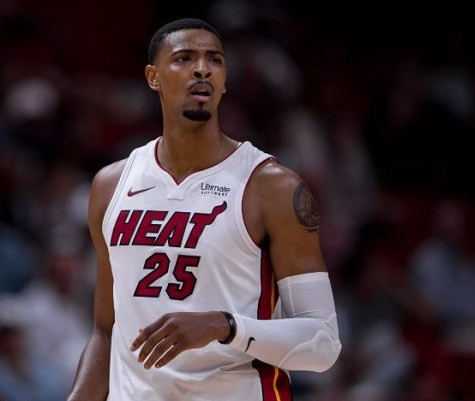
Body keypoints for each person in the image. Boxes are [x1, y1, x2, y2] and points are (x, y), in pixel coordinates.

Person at [67, 18, 341, 401]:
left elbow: (322, 343)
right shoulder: (110, 185)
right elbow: (106, 331)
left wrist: (225, 325)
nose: (202, 69)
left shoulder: (271, 187)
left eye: (215, 60)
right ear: (153, 77)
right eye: (184, 58)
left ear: (224, 82)